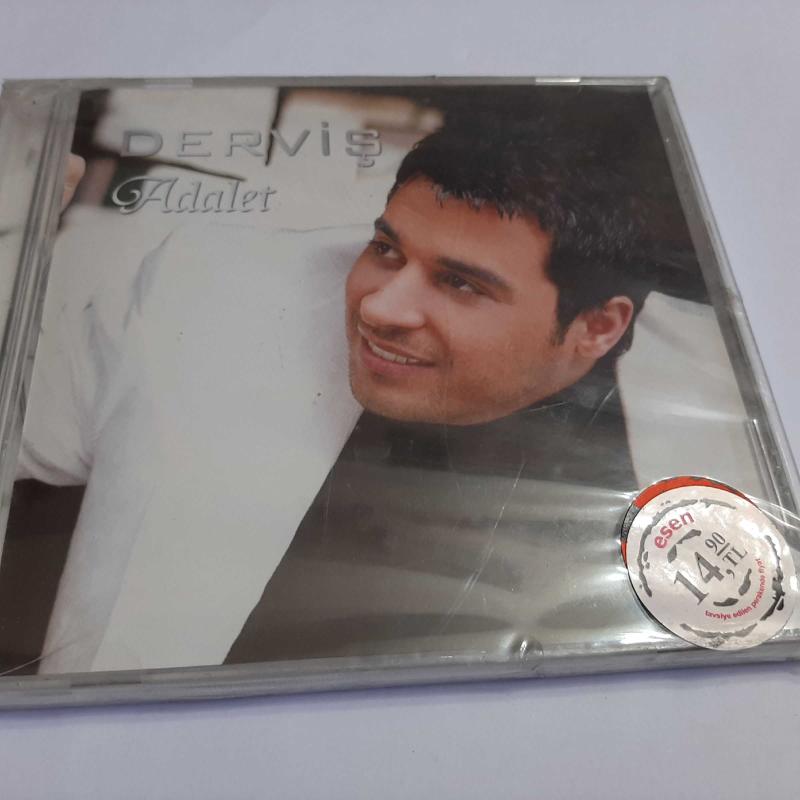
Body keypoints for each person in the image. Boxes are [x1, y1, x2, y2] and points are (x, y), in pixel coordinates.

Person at [17, 116, 655, 673]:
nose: (379, 308)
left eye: (460, 284)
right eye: (386, 249)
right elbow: (18, 421)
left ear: (597, 327)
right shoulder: (213, 288)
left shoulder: (689, 452)